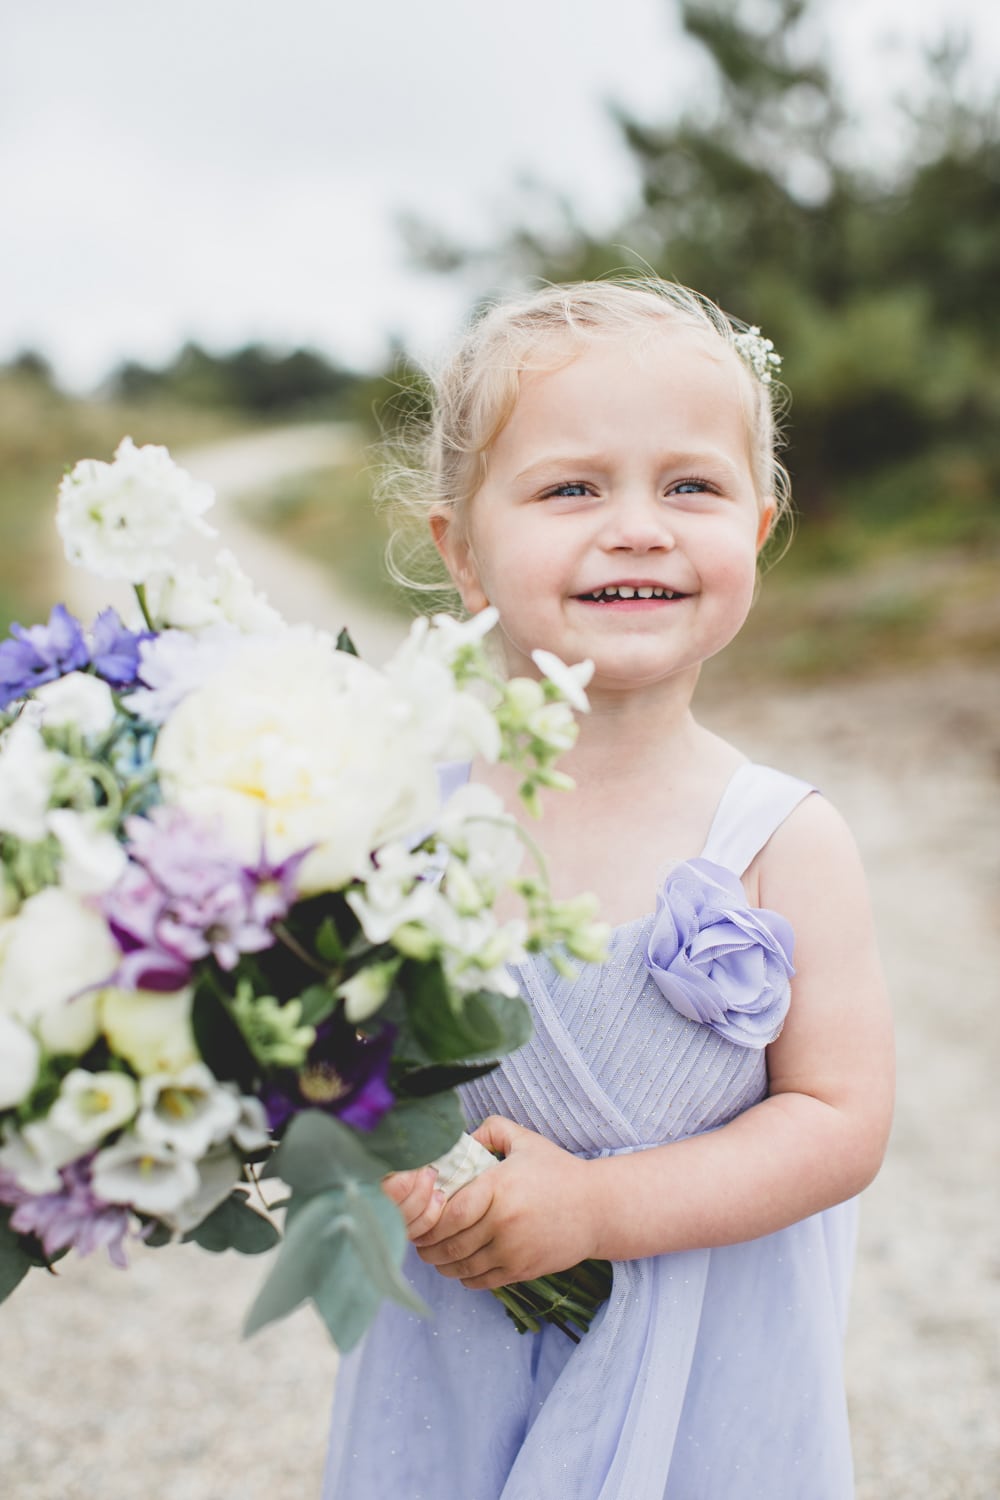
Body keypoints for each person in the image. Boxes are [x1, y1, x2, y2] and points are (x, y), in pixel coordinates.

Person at [321, 278, 894, 1500]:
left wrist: (597, 1210)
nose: (637, 526)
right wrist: (401, 1170)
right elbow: (317, 1065)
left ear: (759, 527)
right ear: (462, 550)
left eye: (690, 485)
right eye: (572, 487)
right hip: (456, 1355)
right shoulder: (391, 815)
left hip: (710, 1387)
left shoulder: (783, 840)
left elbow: (841, 1122)